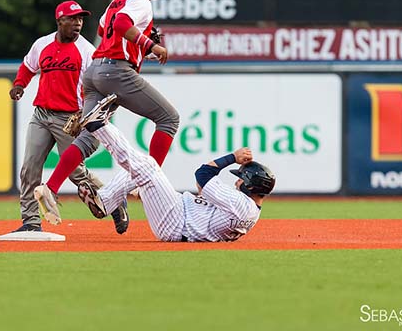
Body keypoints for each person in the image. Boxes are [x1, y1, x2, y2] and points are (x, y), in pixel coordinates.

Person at [34, 0, 180, 229]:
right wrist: (150, 45)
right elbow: (123, 24)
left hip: (94, 73)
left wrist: (139, 47)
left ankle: (50, 188)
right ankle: (146, 182)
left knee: (89, 138)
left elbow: (105, 30)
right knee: (169, 119)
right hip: (116, 73)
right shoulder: (140, 1)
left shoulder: (118, 0)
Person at [38, 94, 276, 242]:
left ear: (249, 184)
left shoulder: (241, 205)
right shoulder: (248, 209)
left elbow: (202, 175)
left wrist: (232, 157)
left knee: (148, 168)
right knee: (140, 171)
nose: (237, 180)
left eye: (240, 178)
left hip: (176, 222)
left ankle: (98, 125)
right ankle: (105, 201)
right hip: (179, 214)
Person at [9, 0, 125, 233]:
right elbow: (28, 66)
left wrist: (88, 116)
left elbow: (97, 86)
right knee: (30, 167)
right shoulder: (42, 45)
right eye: (72, 19)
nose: (78, 23)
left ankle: (113, 202)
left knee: (75, 172)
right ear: (59, 20)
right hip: (41, 115)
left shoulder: (86, 52)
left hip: (70, 119)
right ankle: (30, 222)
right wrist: (19, 84)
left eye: (81, 19)